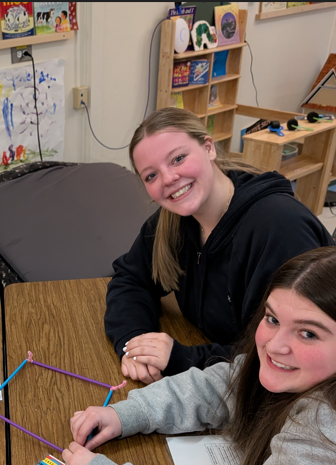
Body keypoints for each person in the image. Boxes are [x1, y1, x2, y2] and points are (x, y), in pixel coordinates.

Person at [66, 246, 336, 465]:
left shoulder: (325, 433)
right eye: (272, 319)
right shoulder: (299, 371)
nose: (274, 346)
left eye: (309, 334)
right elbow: (231, 382)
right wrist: (129, 413)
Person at [106, 108, 333, 385]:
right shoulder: (173, 221)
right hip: (219, 377)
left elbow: (284, 354)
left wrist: (181, 358)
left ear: (209, 148)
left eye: (178, 158)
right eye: (151, 175)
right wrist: (135, 343)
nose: (168, 179)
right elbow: (130, 277)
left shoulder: (280, 228)